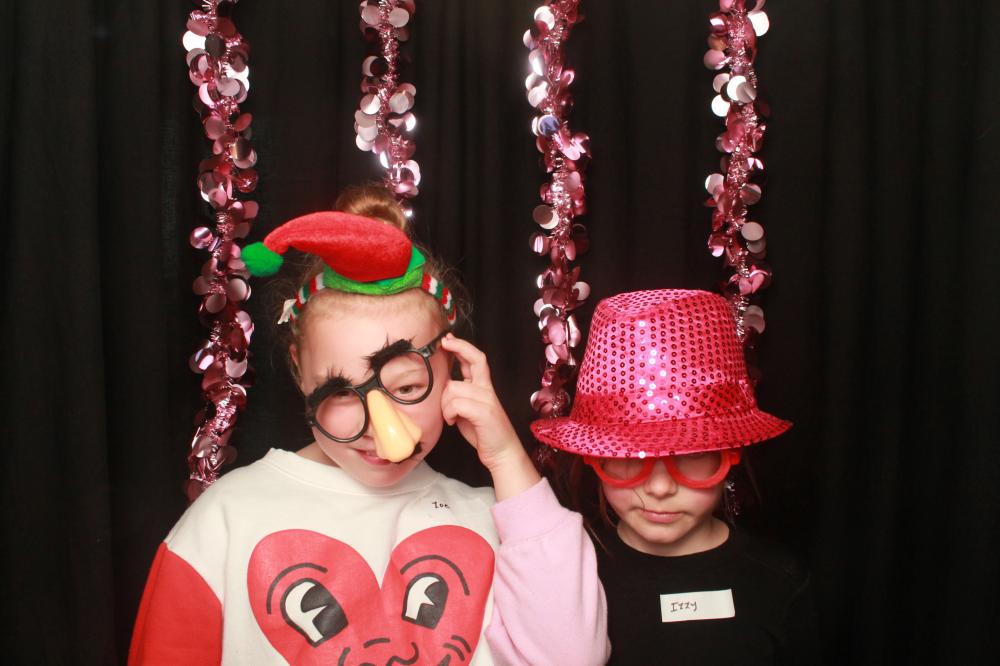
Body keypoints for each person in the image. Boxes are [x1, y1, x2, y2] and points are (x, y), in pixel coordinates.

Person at [128, 185, 609, 665]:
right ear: (299, 371)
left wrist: (506, 459)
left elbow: (573, 658)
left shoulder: (495, 522)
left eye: (407, 387)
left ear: (454, 367)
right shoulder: (227, 518)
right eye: (340, 392)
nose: (381, 432)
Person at [533, 288, 820, 665]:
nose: (659, 488)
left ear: (731, 454)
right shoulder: (570, 575)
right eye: (630, 456)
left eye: (692, 457)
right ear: (593, 458)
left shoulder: (778, 581)